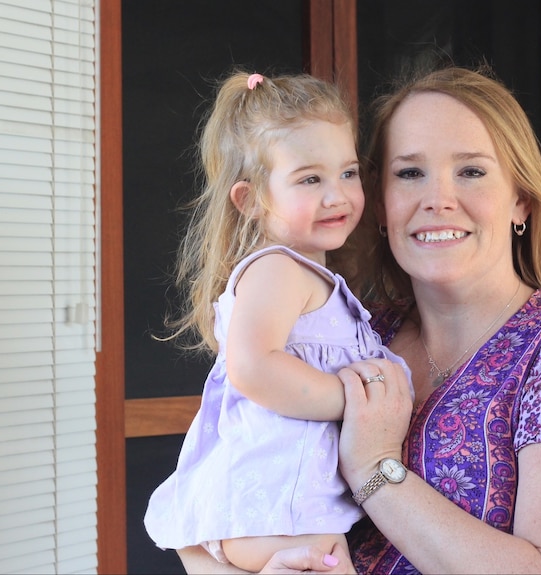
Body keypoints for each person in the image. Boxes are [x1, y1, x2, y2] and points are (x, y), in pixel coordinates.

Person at [177, 65, 541, 574]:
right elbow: (215, 490)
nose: (437, 199)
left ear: (520, 199)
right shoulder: (353, 336)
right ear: (382, 206)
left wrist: (375, 470)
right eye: (410, 173)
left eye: (471, 171)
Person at [144, 70, 410, 574]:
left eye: (348, 173)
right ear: (250, 200)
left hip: (266, 513)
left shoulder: (297, 275)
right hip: (284, 511)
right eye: (310, 179)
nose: (337, 194)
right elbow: (252, 366)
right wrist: (355, 402)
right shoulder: (277, 270)